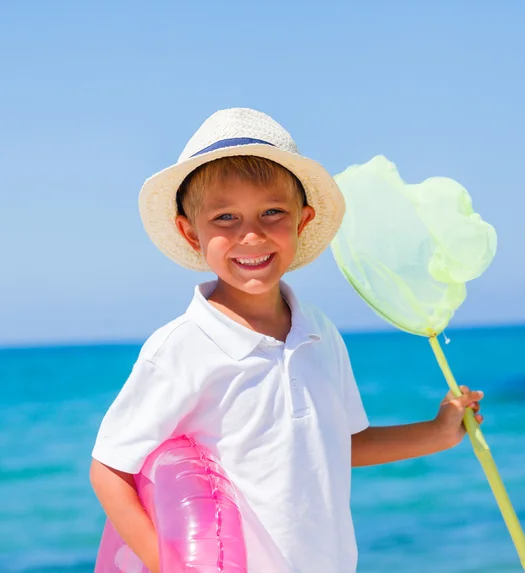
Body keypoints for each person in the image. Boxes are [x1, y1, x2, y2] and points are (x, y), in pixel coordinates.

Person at [90, 107, 484, 573]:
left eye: (272, 212)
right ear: (189, 232)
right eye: (225, 217)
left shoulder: (319, 332)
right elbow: (110, 469)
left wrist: (437, 433)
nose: (251, 235)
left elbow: (340, 445)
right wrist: (166, 564)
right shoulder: (183, 346)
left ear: (303, 220)